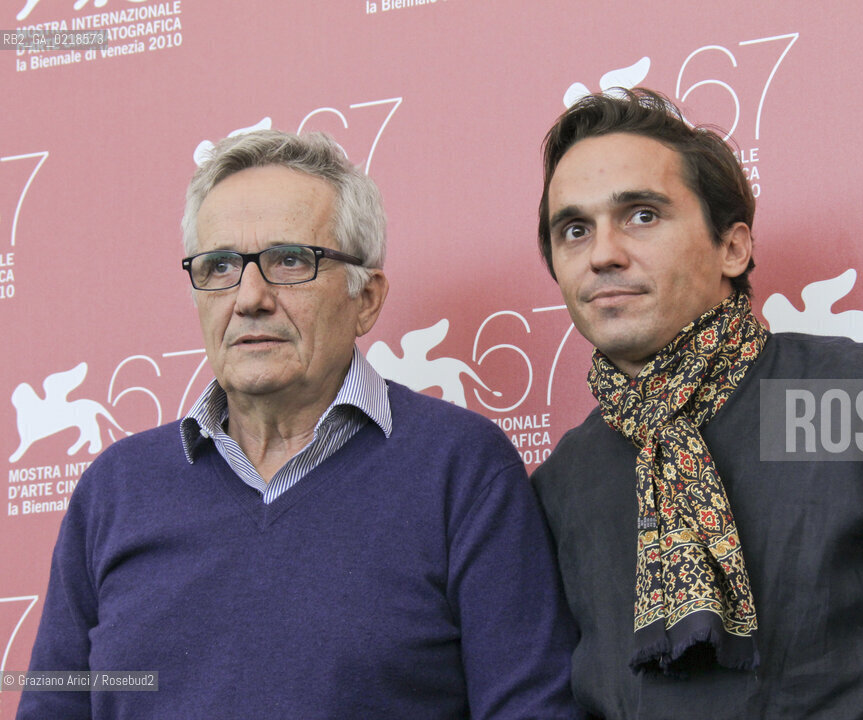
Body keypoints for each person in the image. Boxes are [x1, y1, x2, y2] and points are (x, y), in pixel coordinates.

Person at [531, 88, 863, 719]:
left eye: (643, 215)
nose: (603, 253)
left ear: (732, 247)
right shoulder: (561, 483)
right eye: (575, 230)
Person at [18, 129, 580, 719]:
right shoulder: (114, 490)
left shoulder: (461, 469)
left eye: (290, 261)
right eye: (220, 266)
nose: (250, 296)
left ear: (366, 298)